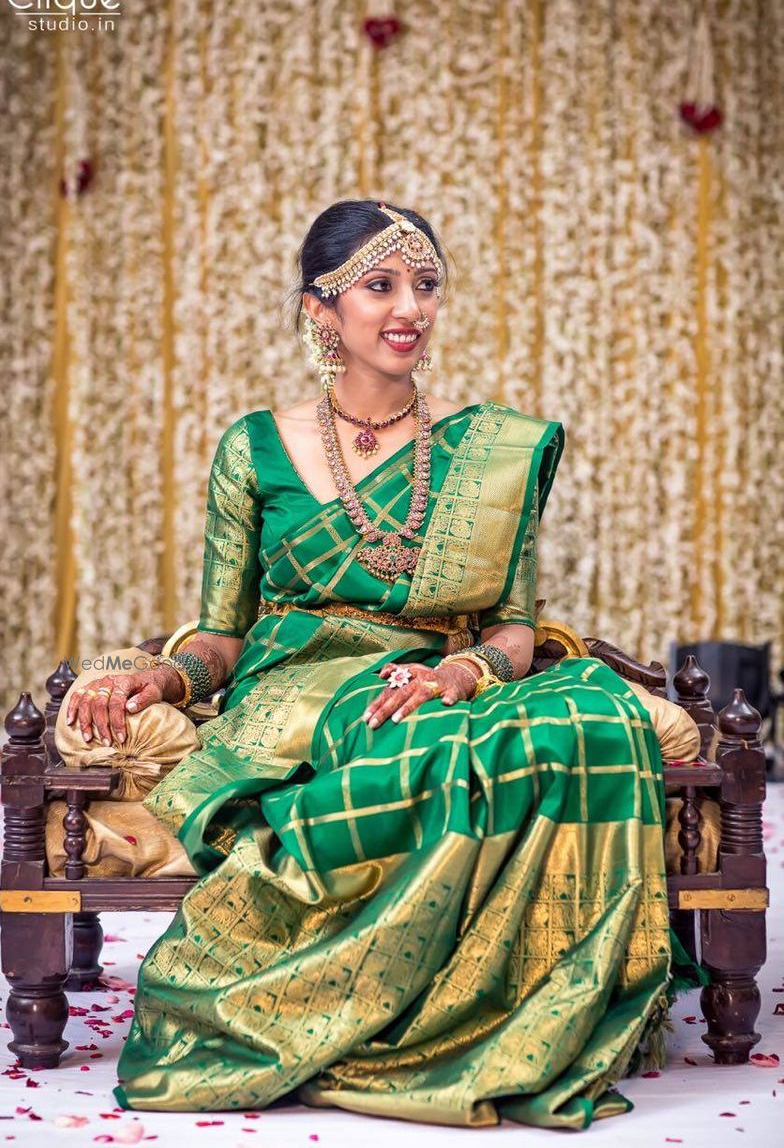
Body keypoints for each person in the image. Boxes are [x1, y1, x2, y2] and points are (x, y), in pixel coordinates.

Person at [62, 200, 698, 1129]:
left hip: (431, 681)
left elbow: (515, 628)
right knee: (421, 738)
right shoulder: (254, 447)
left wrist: (461, 675)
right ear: (324, 310)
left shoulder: (491, 456)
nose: (412, 307)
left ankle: (476, 1021)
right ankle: (361, 1009)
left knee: (574, 720)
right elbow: (220, 634)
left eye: (427, 285)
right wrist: (162, 679)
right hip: (297, 695)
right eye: (382, 285)